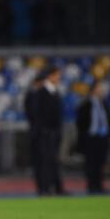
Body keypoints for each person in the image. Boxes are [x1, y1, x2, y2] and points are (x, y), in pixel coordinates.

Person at [76, 80, 110, 194]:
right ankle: (91, 186)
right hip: (90, 138)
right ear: (92, 90)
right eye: (98, 88)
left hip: (102, 137)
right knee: (90, 163)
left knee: (100, 163)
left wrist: (107, 133)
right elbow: (80, 122)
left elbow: (109, 120)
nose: (101, 90)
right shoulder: (85, 104)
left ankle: (99, 185)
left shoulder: (104, 104)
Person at [35, 67, 64, 195]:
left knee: (53, 161)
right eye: (57, 75)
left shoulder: (54, 91)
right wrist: (43, 130)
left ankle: (54, 187)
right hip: (45, 133)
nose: (59, 78)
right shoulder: (41, 92)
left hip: (53, 132)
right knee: (45, 162)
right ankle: (45, 188)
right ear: (50, 76)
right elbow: (38, 114)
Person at [24, 71, 46, 195]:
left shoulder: (38, 95)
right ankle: (41, 187)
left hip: (40, 132)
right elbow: (32, 114)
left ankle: (45, 186)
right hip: (37, 133)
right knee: (39, 161)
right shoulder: (32, 95)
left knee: (45, 162)